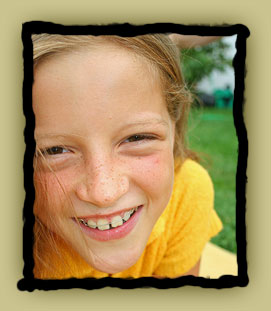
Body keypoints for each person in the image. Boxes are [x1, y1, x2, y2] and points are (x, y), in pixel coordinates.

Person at [32, 33, 222, 279]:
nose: (104, 193)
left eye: (136, 138)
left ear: (174, 125)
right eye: (53, 151)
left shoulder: (186, 193)